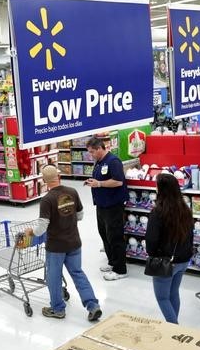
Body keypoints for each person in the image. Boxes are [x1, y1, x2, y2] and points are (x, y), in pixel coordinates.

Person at [28, 165, 101, 321]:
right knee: (77, 273)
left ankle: (58, 309)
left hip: (56, 247)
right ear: (58, 176)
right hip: (74, 242)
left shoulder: (47, 200)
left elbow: (41, 228)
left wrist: (31, 232)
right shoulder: (72, 192)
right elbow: (80, 215)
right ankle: (93, 305)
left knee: (53, 278)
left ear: (44, 181)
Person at [145, 173, 195, 324]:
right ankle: (173, 324)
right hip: (183, 260)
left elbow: (151, 239)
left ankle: (174, 328)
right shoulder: (185, 209)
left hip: (165, 262)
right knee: (173, 293)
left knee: (162, 297)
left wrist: (153, 255)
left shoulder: (158, 212)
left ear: (161, 189)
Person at [85, 137, 129, 281]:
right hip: (101, 205)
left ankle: (120, 269)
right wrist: (93, 182)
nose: (91, 155)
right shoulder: (99, 162)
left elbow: (118, 181)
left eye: (92, 152)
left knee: (115, 236)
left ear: (99, 148)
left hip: (113, 206)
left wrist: (99, 184)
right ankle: (112, 262)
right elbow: (100, 179)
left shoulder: (113, 161)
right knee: (104, 234)